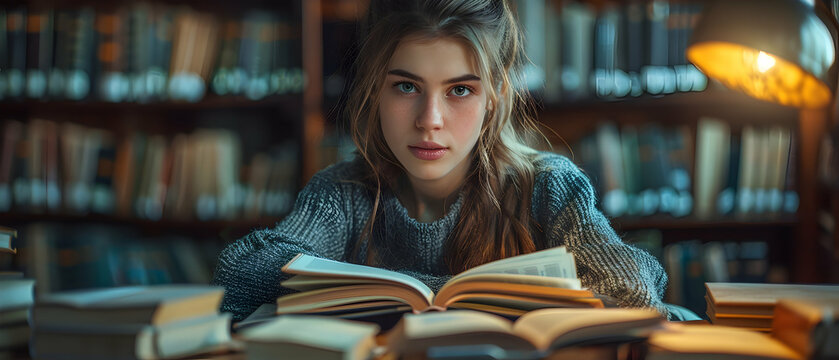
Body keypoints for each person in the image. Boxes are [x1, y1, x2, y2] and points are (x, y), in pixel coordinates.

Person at [212, 0, 675, 322]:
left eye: (460, 90)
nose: (429, 121)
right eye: (406, 87)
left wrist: (382, 294)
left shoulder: (548, 187)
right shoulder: (344, 191)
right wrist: (455, 294)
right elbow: (240, 275)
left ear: (494, 97)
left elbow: (631, 291)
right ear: (375, 91)